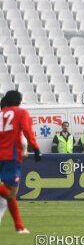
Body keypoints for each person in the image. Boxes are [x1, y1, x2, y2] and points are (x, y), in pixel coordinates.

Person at [0, 91, 42, 233]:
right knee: (11, 193)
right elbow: (27, 131)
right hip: (10, 157)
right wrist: (36, 148)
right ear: (19, 101)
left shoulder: (1, 114)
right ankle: (19, 226)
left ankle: (19, 227)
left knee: (7, 195)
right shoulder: (20, 112)